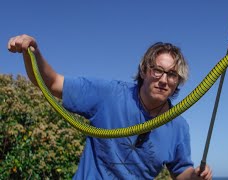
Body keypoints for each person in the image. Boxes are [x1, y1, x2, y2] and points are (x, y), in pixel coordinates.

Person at [8, 34, 213, 180]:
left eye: (172, 75)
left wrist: (195, 175)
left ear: (178, 82)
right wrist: (31, 53)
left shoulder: (178, 126)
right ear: (143, 71)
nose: (163, 80)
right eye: (157, 70)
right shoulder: (108, 94)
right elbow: (52, 83)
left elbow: (180, 172)